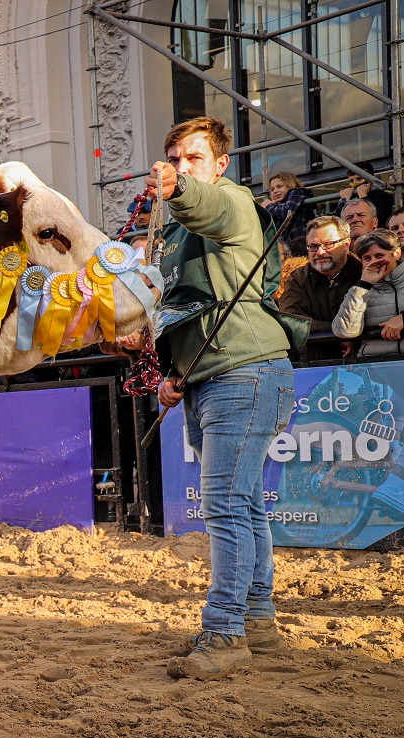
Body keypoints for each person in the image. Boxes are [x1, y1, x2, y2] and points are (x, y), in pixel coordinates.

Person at [147, 116, 295, 680]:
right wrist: (172, 370)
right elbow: (186, 307)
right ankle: (257, 622)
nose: (183, 166)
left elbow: (203, 205)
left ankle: (226, 631)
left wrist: (178, 190)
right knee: (244, 506)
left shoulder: (231, 201)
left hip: (244, 373)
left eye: (193, 158)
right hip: (219, 376)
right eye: (175, 158)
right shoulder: (183, 236)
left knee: (228, 508)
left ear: (220, 164)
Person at [278, 216, 362, 327]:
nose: (320, 252)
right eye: (313, 246)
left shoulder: (364, 272)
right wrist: (335, 331)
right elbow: (290, 319)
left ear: (346, 244)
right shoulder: (298, 278)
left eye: (328, 244)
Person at [332, 229, 404, 357]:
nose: (373, 262)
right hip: (374, 368)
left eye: (379, 256)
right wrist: (364, 285)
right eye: (367, 258)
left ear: (396, 253)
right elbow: (344, 331)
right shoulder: (359, 290)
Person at [260, 171, 310, 243]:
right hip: (290, 245)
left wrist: (268, 206)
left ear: (290, 184)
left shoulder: (297, 192)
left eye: (279, 186)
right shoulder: (277, 207)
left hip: (300, 243)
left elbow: (288, 211)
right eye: (272, 189)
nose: (275, 191)